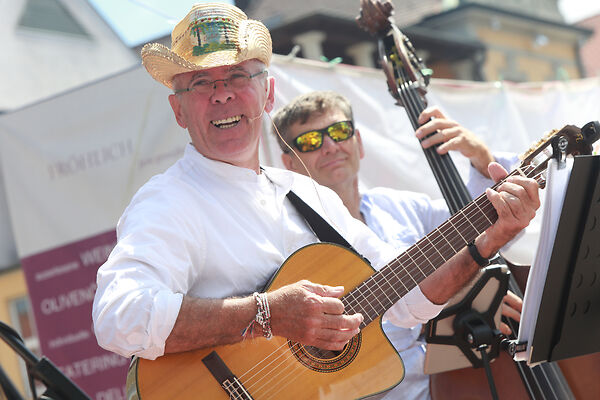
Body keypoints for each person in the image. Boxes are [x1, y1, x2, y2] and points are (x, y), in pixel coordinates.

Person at [91, 3, 539, 397]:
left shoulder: (305, 194)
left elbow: (405, 298)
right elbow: (119, 316)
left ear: (266, 95)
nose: (222, 93)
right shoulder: (169, 202)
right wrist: (265, 314)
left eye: (236, 76)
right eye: (201, 84)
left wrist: (488, 238)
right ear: (178, 110)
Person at [271, 91, 523, 399]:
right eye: (310, 141)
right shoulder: (285, 239)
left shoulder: (402, 207)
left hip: (446, 386)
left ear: (359, 143)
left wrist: (481, 156)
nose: (330, 146)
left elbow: (478, 227)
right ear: (289, 164)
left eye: (339, 132)